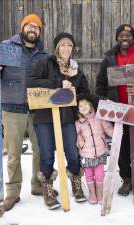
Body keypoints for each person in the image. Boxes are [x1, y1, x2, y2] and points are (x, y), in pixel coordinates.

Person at [0, 14, 50, 211]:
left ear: (40, 32)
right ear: (23, 27)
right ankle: (13, 193)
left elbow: (49, 78)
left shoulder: (44, 53)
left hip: (37, 109)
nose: (33, 30)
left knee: (40, 150)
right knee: (14, 154)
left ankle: (38, 185)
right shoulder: (7, 47)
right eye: (30, 26)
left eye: (37, 28)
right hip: (12, 108)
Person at [96, 24, 134, 199]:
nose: (124, 37)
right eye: (121, 35)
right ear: (117, 38)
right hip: (118, 111)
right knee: (122, 148)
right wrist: (103, 101)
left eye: (128, 35)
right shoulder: (109, 59)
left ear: (133, 38)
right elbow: (100, 83)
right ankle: (127, 179)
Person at [29, 32, 89, 210]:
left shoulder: (76, 70)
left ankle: (76, 185)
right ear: (57, 47)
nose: (66, 48)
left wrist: (81, 101)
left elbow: (84, 92)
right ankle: (47, 188)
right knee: (46, 153)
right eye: (62, 45)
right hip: (44, 116)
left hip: (67, 117)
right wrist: (57, 83)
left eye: (69, 45)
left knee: (72, 151)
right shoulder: (45, 63)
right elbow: (32, 82)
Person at [75, 94, 114, 204]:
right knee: (89, 174)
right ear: (78, 109)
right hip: (86, 154)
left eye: (85, 104)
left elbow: (107, 128)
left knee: (99, 174)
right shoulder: (78, 123)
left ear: (91, 105)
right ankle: (92, 193)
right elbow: (75, 135)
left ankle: (99, 192)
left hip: (100, 152)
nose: (83, 107)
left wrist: (115, 133)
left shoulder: (99, 117)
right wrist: (80, 142)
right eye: (80, 105)